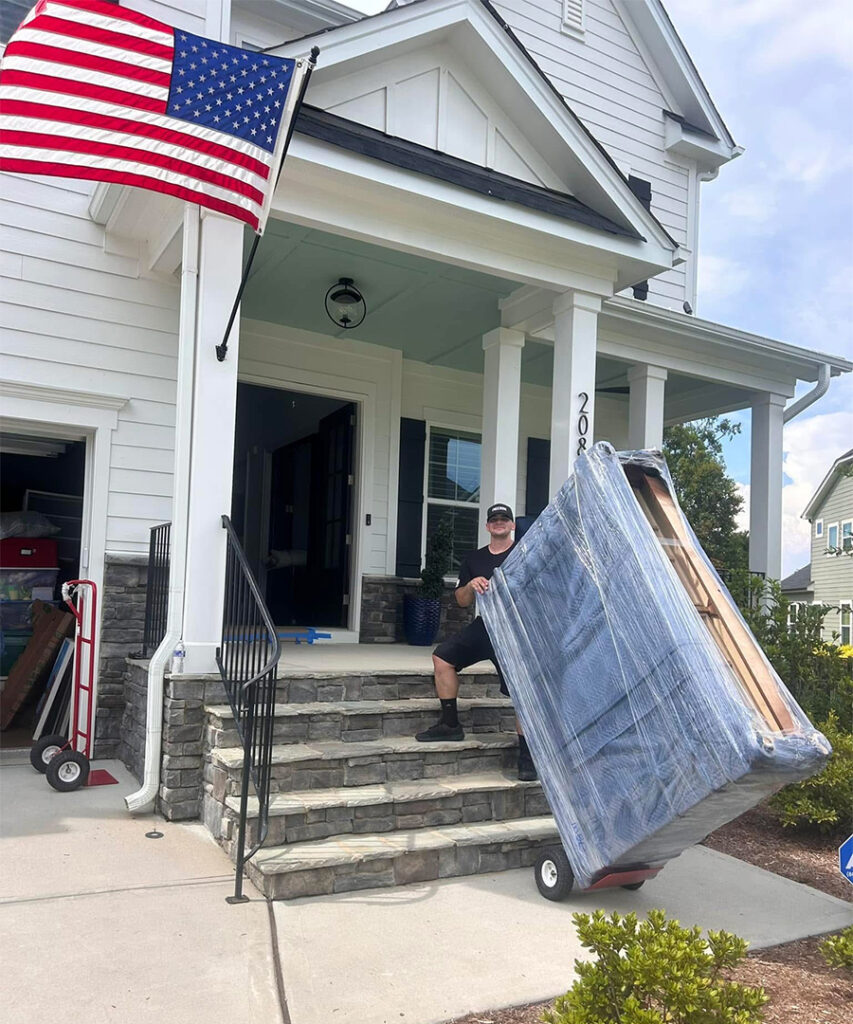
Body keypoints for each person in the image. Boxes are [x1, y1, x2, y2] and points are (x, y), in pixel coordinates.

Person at [414, 503, 537, 781]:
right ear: (487, 526)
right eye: (494, 519)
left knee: (521, 692)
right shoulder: (474, 558)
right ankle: (450, 724)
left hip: (517, 630)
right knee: (442, 657)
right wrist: (471, 586)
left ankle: (527, 757)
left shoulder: (524, 553)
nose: (499, 522)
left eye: (504, 518)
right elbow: (461, 601)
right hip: (487, 626)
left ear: (512, 525)